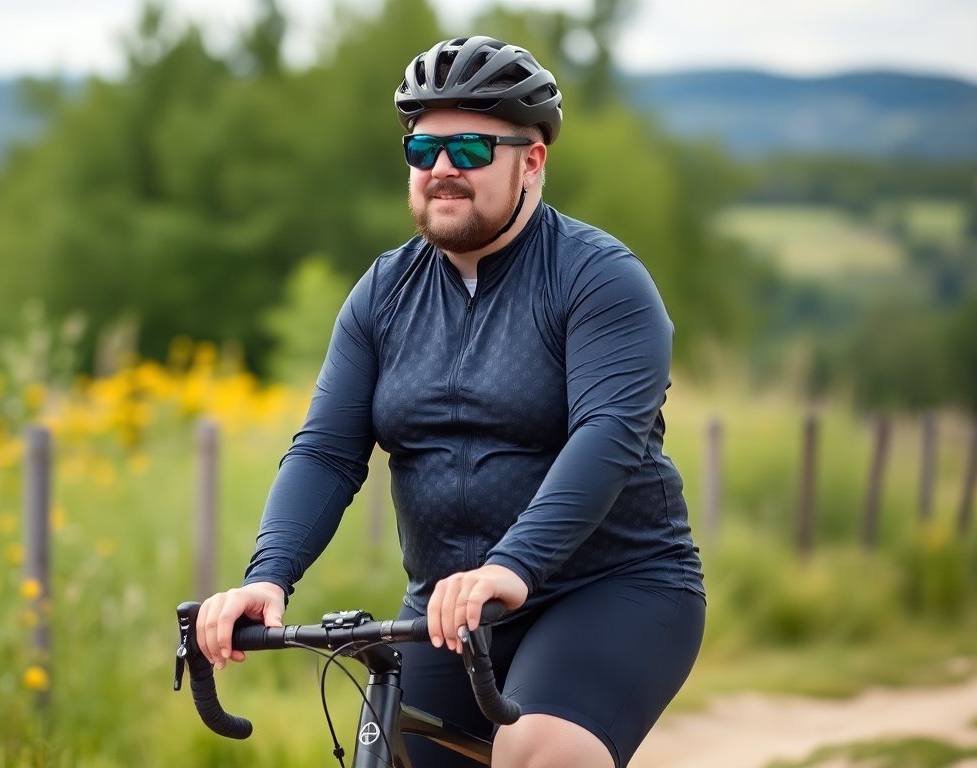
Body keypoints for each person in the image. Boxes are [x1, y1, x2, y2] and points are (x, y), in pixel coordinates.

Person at [196, 36, 705, 768]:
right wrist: (267, 575)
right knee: (388, 749)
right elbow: (328, 452)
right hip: (450, 609)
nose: (441, 170)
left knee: (539, 752)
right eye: (422, 149)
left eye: (469, 150)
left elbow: (608, 435)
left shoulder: (599, 280)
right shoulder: (383, 293)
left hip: (612, 588)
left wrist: (514, 564)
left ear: (532, 160)